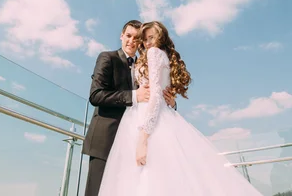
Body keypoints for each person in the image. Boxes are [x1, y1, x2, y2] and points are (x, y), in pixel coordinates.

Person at [98, 21, 263, 195]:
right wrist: (169, 102)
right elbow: (161, 93)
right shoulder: (162, 56)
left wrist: (143, 139)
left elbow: (155, 96)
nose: (147, 43)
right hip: (155, 116)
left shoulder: (154, 53)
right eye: (145, 39)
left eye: (151, 38)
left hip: (146, 119)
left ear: (160, 38)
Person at [82, 20, 176, 196]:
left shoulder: (146, 63)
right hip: (106, 139)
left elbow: (155, 95)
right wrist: (134, 96)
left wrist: (170, 102)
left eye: (137, 38)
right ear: (121, 36)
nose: (132, 41)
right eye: (128, 36)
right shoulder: (107, 58)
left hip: (131, 141)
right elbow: (96, 95)